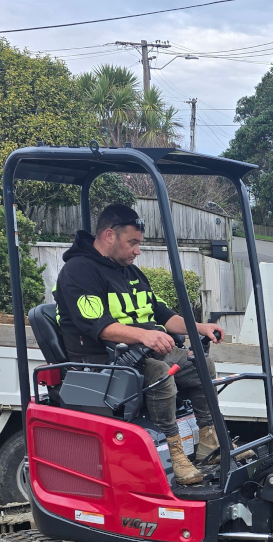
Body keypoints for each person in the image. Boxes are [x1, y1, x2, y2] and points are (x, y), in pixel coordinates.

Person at [54, 203, 225, 485]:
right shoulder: (79, 271)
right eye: (132, 242)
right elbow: (99, 327)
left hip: (139, 354)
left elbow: (162, 314)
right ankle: (174, 454)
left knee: (201, 364)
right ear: (109, 235)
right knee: (159, 375)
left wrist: (201, 327)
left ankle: (209, 440)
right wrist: (144, 335)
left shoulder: (130, 272)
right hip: (102, 361)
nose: (138, 250)